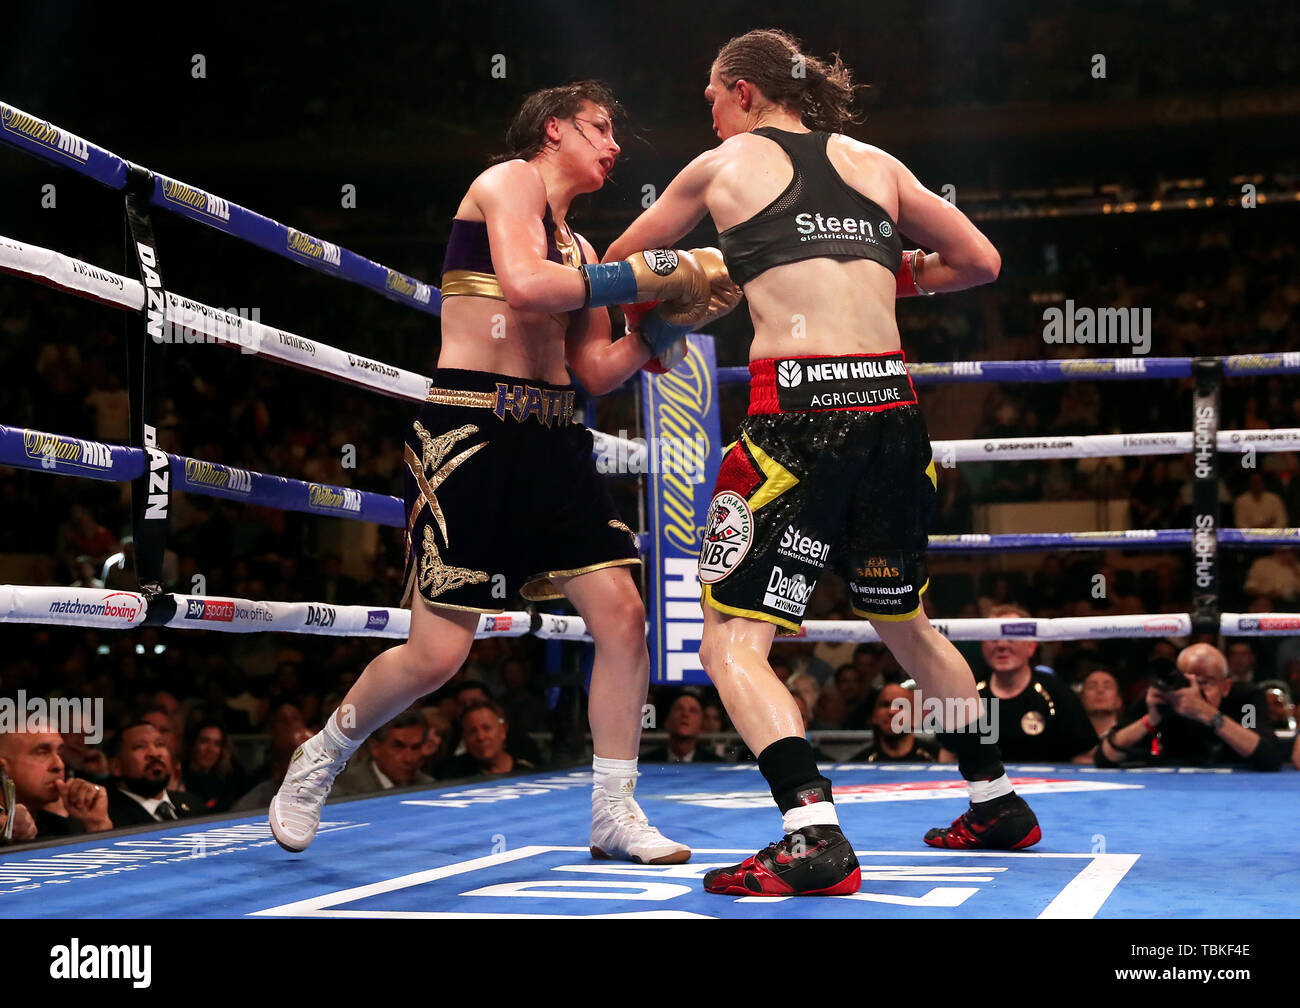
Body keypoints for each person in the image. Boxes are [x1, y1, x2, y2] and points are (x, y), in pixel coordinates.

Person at [604, 29, 1039, 896]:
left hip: (801, 414)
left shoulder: (717, 167)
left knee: (732, 640)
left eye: (712, 96)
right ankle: (997, 801)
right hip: (893, 415)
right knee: (906, 620)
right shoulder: (874, 160)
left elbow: (621, 265)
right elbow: (979, 262)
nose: (710, 112)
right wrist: (874, 268)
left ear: (744, 93)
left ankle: (812, 835)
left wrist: (681, 302)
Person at [271, 79, 740, 866]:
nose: (615, 145)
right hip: (471, 427)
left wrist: (663, 330)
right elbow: (522, 285)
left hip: (556, 438)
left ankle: (614, 811)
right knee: (437, 655)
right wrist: (649, 275)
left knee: (623, 617)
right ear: (552, 130)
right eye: (599, 128)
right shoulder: (505, 183)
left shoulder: (585, 250)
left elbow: (590, 369)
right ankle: (322, 753)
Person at [937, 606, 1098, 764]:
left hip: (1046, 787)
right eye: (993, 637)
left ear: (1031, 646)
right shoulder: (967, 691)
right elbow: (948, 754)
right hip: (982, 788)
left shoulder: (1056, 692)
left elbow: (1085, 755)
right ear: (983, 645)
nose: (1001, 645)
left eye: (1011, 637)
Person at [1095, 643, 1284, 771]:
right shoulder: (1160, 698)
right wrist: (1150, 720)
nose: (1195, 692)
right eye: (1189, 682)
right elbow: (1104, 758)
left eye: (1205, 683)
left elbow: (1271, 758)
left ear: (1225, 686)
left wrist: (1209, 714)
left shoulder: (1245, 700)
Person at [0, 721, 113, 839]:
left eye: (59, 753)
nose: (59, 765)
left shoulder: (62, 828)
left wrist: (97, 824)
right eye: (42, 753)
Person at [107, 721, 202, 826]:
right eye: (140, 746)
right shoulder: (108, 820)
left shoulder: (192, 803)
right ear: (116, 766)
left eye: (160, 744)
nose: (154, 753)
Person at [334, 710, 436, 795]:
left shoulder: (428, 786)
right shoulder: (345, 791)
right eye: (398, 747)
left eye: (416, 747)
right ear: (375, 747)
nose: (409, 759)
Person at [438, 701, 535, 778]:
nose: (481, 737)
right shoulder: (453, 774)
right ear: (464, 738)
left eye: (486, 728)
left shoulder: (528, 771)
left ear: (503, 730)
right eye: (472, 731)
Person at [848, 684, 938, 762]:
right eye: (885, 705)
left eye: (900, 706)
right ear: (873, 716)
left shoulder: (939, 760)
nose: (891, 711)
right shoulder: (857, 765)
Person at [642, 693, 724, 763]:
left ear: (701, 726)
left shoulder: (715, 764)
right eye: (680, 709)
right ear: (667, 722)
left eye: (693, 711)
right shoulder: (644, 763)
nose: (685, 714)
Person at [1080, 668, 1124, 740]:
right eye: (1092, 687)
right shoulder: (1068, 739)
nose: (1100, 690)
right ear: (1082, 699)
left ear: (1119, 700)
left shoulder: (1133, 739)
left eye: (1107, 687)